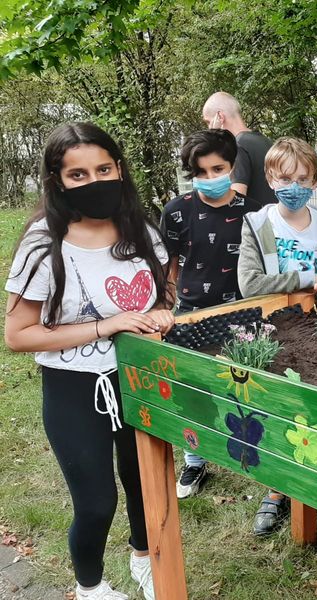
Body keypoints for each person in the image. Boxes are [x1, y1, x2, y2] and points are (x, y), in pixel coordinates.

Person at [4, 123, 175, 600]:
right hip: (76, 389)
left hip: (140, 378)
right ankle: (91, 588)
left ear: (119, 168)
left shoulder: (139, 228)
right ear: (58, 181)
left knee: (145, 489)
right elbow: (17, 334)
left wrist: (161, 314)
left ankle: (144, 558)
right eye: (77, 175)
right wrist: (108, 325)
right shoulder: (44, 244)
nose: (95, 180)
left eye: (104, 168)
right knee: (97, 503)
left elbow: (164, 289)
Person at [238, 136, 317, 534]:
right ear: (270, 178)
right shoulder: (258, 224)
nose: (295, 185)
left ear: (316, 181)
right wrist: (306, 277)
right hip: (273, 330)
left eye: (304, 178)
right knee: (276, 407)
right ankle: (276, 489)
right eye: (286, 177)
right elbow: (250, 284)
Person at [160, 128, 261, 499]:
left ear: (232, 166)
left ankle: (257, 459)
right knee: (193, 392)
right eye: (199, 172)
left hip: (245, 317)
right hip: (190, 315)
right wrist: (164, 309)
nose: (208, 179)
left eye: (216, 169)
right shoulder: (176, 211)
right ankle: (194, 461)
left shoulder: (255, 215)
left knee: (246, 393)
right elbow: (168, 267)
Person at [203, 91, 277, 206]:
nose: (209, 127)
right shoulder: (267, 141)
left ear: (220, 117)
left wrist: (214, 139)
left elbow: (236, 201)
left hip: (253, 222)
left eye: (208, 122)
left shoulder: (238, 146)